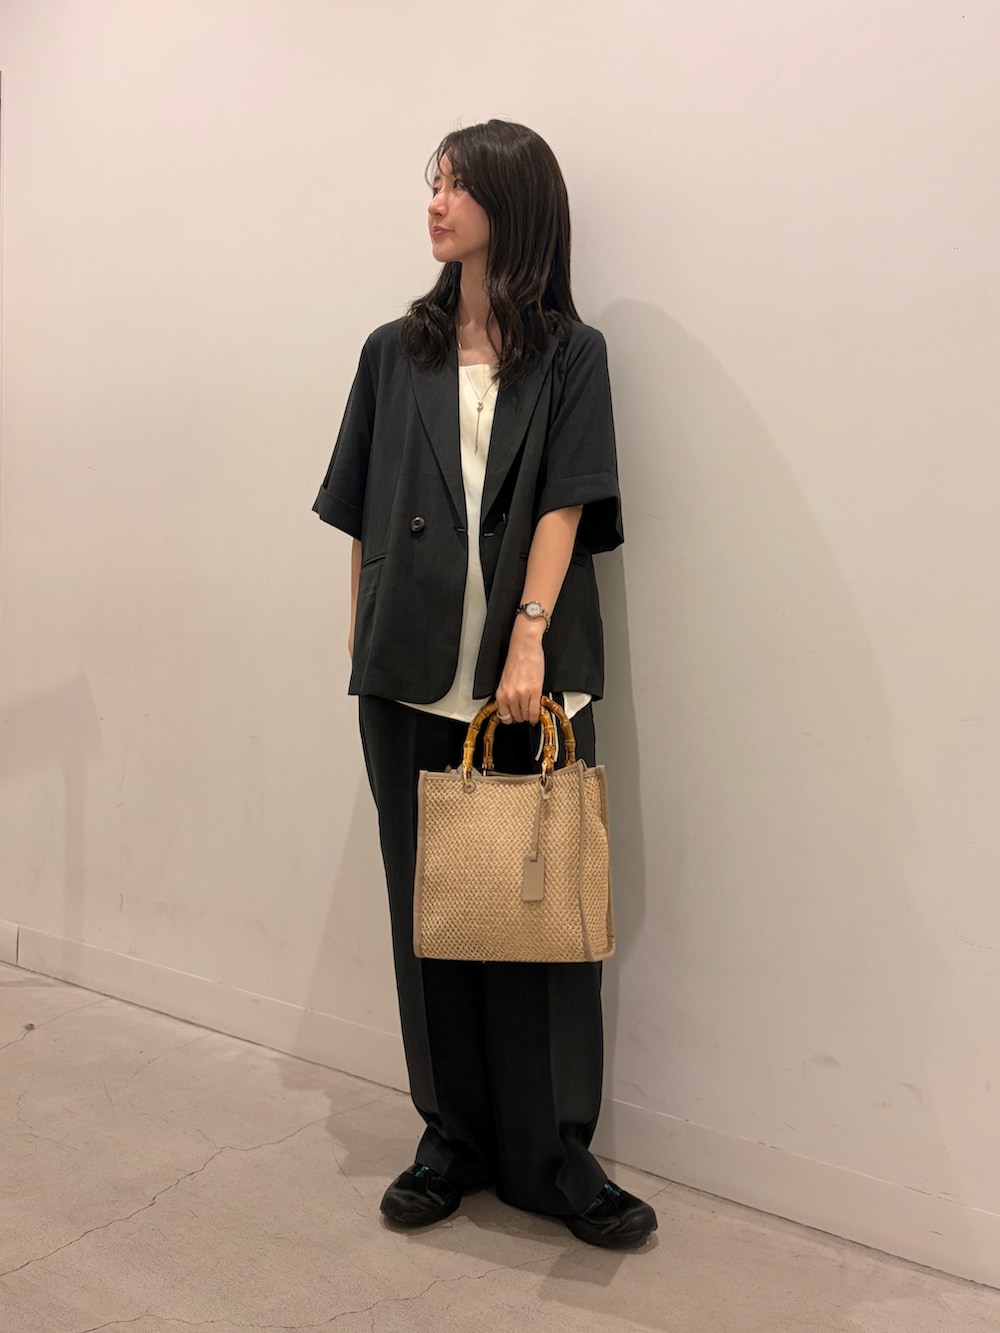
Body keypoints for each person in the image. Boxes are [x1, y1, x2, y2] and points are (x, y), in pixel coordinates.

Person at [313, 119, 656, 1249]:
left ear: (514, 207)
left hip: (529, 688)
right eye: (436, 183)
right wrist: (362, 646)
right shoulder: (391, 352)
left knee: (542, 924)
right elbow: (360, 514)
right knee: (430, 922)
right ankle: (449, 1140)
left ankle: (557, 1159)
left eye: (458, 186)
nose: (436, 202)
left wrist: (528, 645)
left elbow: (566, 502)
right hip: (406, 681)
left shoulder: (571, 355)